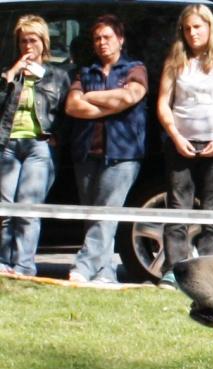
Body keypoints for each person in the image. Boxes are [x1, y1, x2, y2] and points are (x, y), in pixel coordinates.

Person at [157, 3, 213, 289]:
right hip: (181, 144)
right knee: (177, 206)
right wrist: (176, 136)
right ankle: (173, 269)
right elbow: (163, 103)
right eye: (187, 28)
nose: (193, 33)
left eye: (198, 27)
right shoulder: (176, 59)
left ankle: (208, 272)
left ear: (209, 27)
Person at [65, 14, 147, 285]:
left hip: (122, 154)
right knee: (93, 216)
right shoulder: (86, 72)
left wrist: (89, 97)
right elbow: (72, 106)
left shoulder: (135, 69)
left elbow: (130, 96)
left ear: (120, 40)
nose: (102, 43)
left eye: (107, 37)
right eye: (97, 38)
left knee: (105, 213)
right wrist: (108, 102)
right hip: (87, 152)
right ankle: (105, 273)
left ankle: (84, 266)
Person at [0, 15, 70, 277]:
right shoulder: (10, 74)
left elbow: (66, 111)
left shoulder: (57, 75)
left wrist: (57, 136)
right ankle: (3, 263)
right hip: (8, 144)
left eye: (32, 40)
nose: (28, 46)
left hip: (38, 146)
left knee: (28, 208)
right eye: (23, 41)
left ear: (44, 42)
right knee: (5, 209)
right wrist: (12, 74)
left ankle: (24, 266)